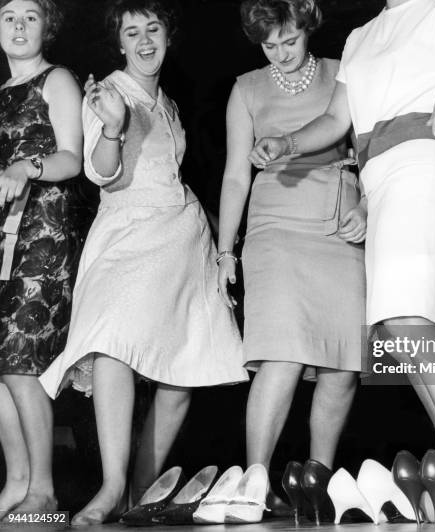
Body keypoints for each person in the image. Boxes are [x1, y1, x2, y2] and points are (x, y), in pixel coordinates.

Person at [249, 0, 435, 521]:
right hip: (378, 178)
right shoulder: (360, 36)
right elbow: (338, 119)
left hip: (425, 160)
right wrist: (287, 141)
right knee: (398, 330)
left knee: (406, 315)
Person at [39, 0, 248, 525]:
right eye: (132, 32)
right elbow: (99, 172)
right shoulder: (108, 93)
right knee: (110, 347)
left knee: (183, 375)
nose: (144, 40)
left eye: (153, 28)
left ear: (168, 36)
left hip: (184, 236)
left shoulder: (170, 104)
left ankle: (138, 494)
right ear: (121, 43)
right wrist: (111, 128)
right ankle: (110, 489)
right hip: (127, 233)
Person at [217, 0, 366, 510]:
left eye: (290, 40)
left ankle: (317, 481)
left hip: (338, 224)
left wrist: (367, 205)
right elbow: (237, 174)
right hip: (274, 225)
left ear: (308, 28)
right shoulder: (246, 89)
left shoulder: (344, 72)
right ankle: (254, 479)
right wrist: (224, 251)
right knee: (281, 353)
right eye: (269, 44)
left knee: (343, 362)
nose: (280, 53)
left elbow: (368, 149)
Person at [0, 0, 84, 518]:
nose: (18, 26)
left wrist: (25, 166)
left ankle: (45, 492)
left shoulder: (57, 79)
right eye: (9, 15)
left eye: (30, 16)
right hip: (3, 237)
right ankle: (18, 483)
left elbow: (71, 157)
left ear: (46, 26)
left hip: (43, 234)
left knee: (20, 360)